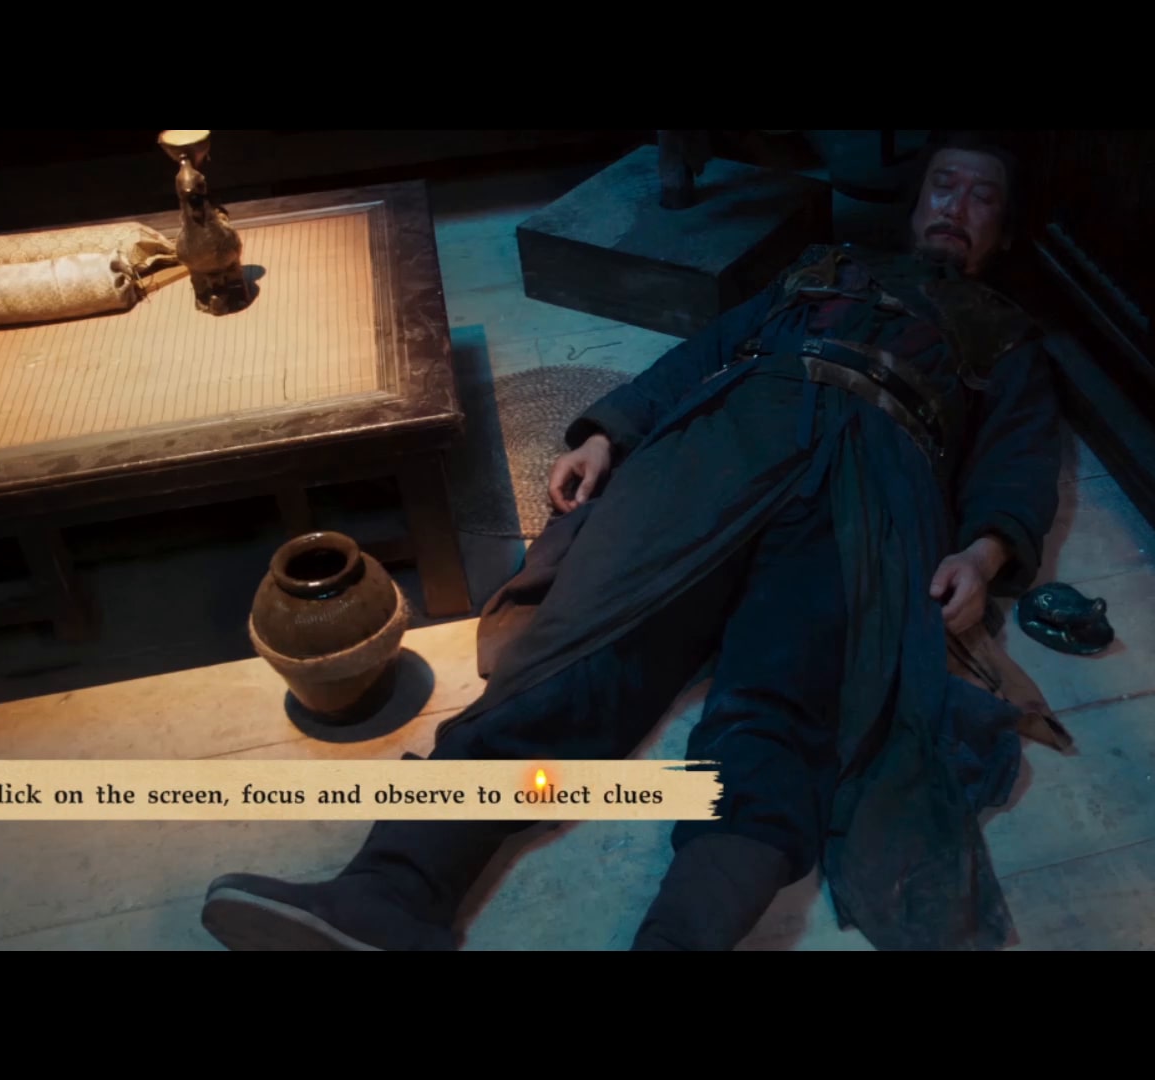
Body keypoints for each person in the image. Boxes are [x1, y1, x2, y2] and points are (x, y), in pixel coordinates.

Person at [199, 131, 1069, 951]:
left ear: (1003, 230)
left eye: (981, 196)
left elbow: (1020, 459)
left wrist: (984, 552)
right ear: (916, 201)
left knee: (782, 706)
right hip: (733, 434)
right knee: (586, 647)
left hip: (871, 477)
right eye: (943, 185)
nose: (955, 206)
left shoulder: (1005, 335)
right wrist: (608, 433)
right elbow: (707, 352)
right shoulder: (823, 269)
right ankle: (390, 891)